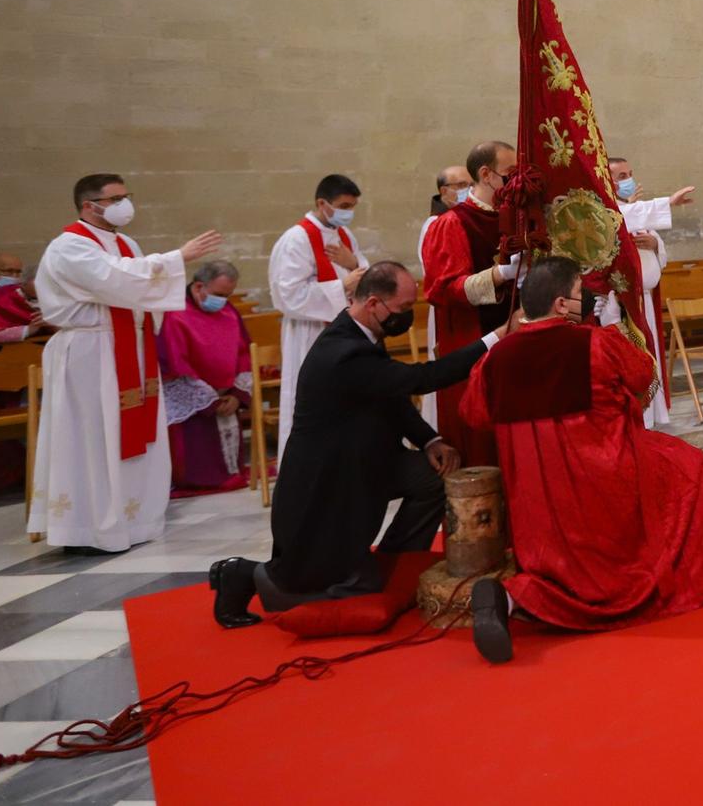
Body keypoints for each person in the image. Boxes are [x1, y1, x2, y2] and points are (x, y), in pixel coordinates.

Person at [456, 257, 703, 663]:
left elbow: (473, 413)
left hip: (538, 501)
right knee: (689, 464)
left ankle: (510, 599)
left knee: (551, 561)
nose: (584, 300)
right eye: (579, 293)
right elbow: (643, 376)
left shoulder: (495, 361)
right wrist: (614, 327)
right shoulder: (594, 344)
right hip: (602, 474)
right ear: (559, 304)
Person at [209, 262, 505, 627]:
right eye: (402, 309)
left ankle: (397, 562)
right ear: (374, 303)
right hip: (327, 481)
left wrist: (429, 440)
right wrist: (496, 338)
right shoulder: (343, 351)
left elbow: (388, 394)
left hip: (368, 462)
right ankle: (240, 575)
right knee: (309, 583)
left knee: (432, 479)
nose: (407, 317)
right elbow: (420, 378)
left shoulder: (361, 335)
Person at [29, 174, 223, 553]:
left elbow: (140, 286)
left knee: (131, 433)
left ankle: (134, 518)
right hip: (91, 352)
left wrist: (164, 267)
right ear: (89, 206)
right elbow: (113, 280)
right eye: (115, 198)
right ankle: (86, 528)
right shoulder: (69, 245)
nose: (125, 204)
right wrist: (176, 258)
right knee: (93, 437)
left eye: (126, 196)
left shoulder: (125, 243)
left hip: (129, 348)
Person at [422, 140, 521, 467]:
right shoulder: (452, 223)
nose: (515, 181)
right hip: (474, 339)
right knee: (482, 443)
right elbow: (443, 288)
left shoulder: (518, 218)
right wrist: (499, 275)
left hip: (518, 339)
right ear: (486, 174)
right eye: (510, 173)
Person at [266, 174, 369, 459]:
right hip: (309, 334)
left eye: (353, 206)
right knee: (314, 403)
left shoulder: (345, 236)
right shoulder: (296, 239)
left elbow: (366, 276)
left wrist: (355, 264)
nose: (349, 212)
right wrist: (342, 286)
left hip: (346, 334)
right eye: (344, 205)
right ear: (322, 203)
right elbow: (287, 296)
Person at [604, 156, 695, 427]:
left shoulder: (640, 212)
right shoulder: (608, 210)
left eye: (629, 174)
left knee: (648, 357)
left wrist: (655, 243)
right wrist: (666, 203)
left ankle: (653, 416)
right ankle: (637, 418)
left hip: (645, 300)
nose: (629, 180)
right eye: (621, 177)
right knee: (632, 361)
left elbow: (661, 254)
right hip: (620, 303)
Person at [157, 260, 253, 494]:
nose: (223, 301)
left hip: (226, 396)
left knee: (231, 469)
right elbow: (175, 363)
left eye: (228, 295)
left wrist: (236, 395)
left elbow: (244, 352)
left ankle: (230, 471)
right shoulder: (175, 315)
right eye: (220, 294)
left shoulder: (229, 311)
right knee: (197, 461)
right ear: (199, 287)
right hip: (197, 402)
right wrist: (210, 401)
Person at [418, 166, 473, 273]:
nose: (469, 190)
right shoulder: (435, 224)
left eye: (472, 185)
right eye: (462, 185)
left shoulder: (466, 217)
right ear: (444, 191)